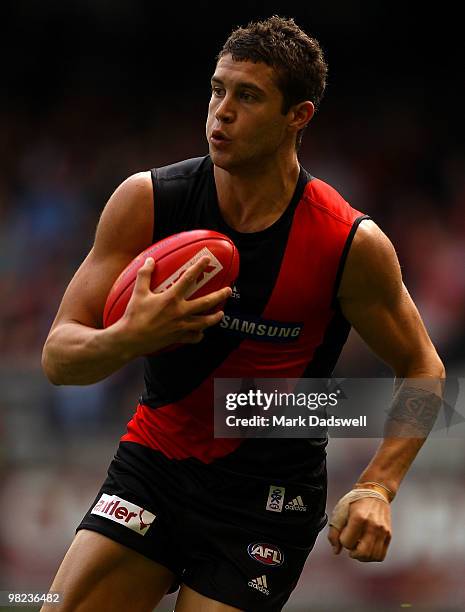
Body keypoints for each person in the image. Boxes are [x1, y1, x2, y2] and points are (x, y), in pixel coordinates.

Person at [41, 15, 444, 612]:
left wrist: (377, 486)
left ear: (298, 117)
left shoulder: (348, 243)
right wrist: (129, 336)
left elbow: (424, 369)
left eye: (247, 96)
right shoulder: (149, 200)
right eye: (217, 89)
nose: (220, 112)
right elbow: (58, 359)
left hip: (268, 499)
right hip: (154, 467)